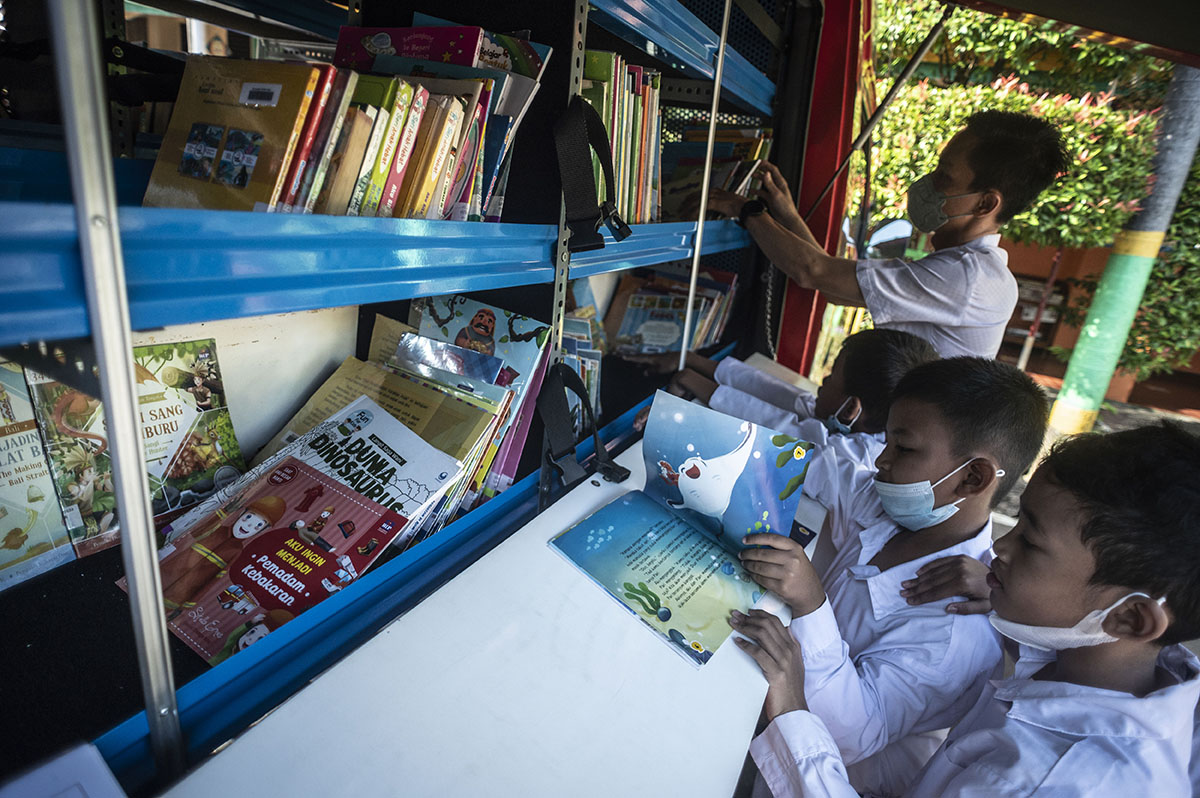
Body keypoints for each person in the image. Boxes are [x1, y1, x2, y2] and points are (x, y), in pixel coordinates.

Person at [733, 421, 1200, 796]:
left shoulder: (1055, 780)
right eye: (1015, 525)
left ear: (1131, 618)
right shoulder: (1099, 662)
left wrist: (792, 710)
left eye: (1032, 544)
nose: (999, 549)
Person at [733, 356, 1049, 796]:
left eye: (904, 448)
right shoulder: (887, 505)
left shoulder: (957, 635)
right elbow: (820, 465)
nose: (882, 461)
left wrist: (811, 603)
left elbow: (849, 734)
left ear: (972, 477)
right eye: (887, 443)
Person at [708, 112, 1069, 359]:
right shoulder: (966, 268)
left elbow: (813, 272)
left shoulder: (967, 278)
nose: (928, 184)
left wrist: (745, 210)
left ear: (985, 203)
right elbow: (833, 285)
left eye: (944, 175)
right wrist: (785, 213)